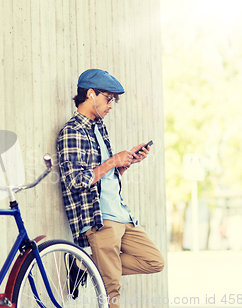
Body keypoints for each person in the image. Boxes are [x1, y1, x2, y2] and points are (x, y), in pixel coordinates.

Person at [57, 69, 165, 307]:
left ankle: (84, 262)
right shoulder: (72, 131)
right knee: (111, 290)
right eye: (108, 99)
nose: (111, 106)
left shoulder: (100, 128)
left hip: (122, 216)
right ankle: (92, 263)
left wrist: (124, 164)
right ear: (91, 94)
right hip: (99, 219)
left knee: (154, 261)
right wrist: (112, 161)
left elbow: (104, 178)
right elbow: (75, 180)